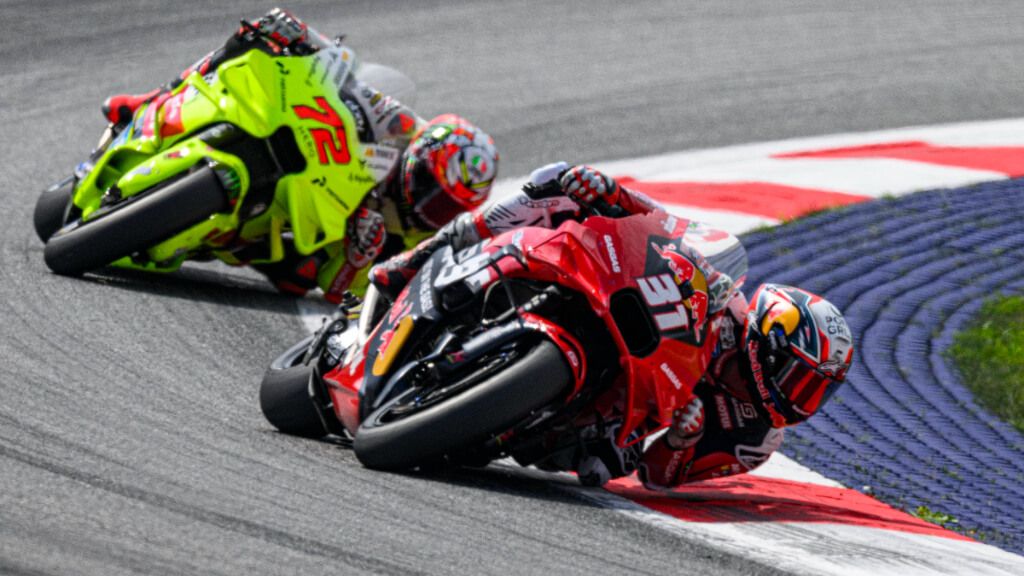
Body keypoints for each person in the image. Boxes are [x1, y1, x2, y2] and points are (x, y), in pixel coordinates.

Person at [369, 162, 855, 489]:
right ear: (768, 342)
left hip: (624, 420)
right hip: (628, 325)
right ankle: (419, 259)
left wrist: (679, 441)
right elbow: (668, 226)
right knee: (552, 185)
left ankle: (497, 418)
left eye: (815, 391)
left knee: (595, 467)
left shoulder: (756, 439)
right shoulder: (728, 300)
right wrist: (611, 193)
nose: (800, 399)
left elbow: (660, 477)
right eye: (799, 379)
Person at [101, 8, 499, 302]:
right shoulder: (400, 127)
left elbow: (349, 294)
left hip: (305, 233)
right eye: (431, 186)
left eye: (446, 206)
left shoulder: (420, 240)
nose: (430, 206)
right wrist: (303, 37)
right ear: (419, 156)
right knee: (246, 44)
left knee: (298, 278)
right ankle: (152, 100)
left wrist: (358, 259)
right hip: (315, 164)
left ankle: (214, 230)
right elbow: (349, 80)